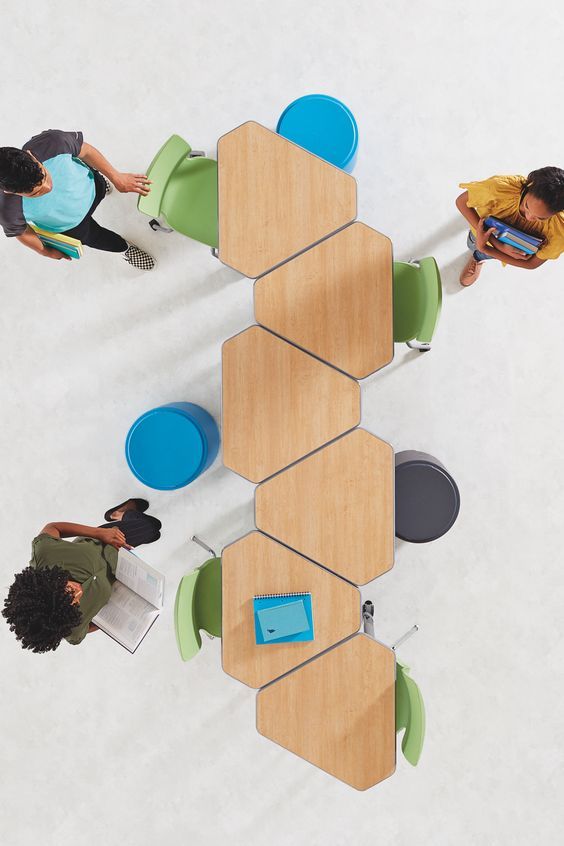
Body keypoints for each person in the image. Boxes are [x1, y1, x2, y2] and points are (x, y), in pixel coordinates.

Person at [2, 499, 161, 652]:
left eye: (68, 590)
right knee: (152, 535)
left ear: (48, 582)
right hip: (125, 573)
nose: (79, 591)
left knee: (151, 528)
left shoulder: (45, 553)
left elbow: (54, 527)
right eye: (75, 602)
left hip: (108, 541)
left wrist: (99, 533)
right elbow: (87, 628)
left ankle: (120, 513)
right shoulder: (70, 627)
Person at [0, 129, 156, 270]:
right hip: (71, 225)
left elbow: (85, 151)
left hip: (92, 185)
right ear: (9, 191)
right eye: (36, 192)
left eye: (45, 175)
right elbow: (22, 232)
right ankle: (124, 248)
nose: (48, 187)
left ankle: (103, 186)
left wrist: (116, 177)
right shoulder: (6, 210)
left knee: (100, 185)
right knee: (97, 238)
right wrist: (45, 251)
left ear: (31, 155)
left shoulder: (53, 142)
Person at [456, 166, 564, 286]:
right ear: (529, 185)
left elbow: (532, 264)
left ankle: (477, 258)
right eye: (527, 206)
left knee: (482, 253)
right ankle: (479, 199)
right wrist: (496, 245)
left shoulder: (559, 230)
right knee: (472, 243)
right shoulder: (499, 189)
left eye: (541, 218)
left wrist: (485, 249)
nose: (528, 217)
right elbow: (461, 202)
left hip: (508, 252)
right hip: (480, 233)